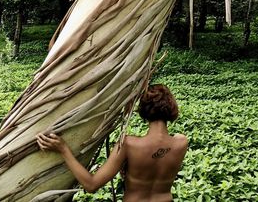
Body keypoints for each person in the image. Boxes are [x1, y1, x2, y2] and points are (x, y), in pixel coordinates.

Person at [36, 84, 188, 202]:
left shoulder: (129, 144)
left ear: (143, 111)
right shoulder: (181, 142)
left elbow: (91, 185)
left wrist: (63, 149)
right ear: (171, 108)